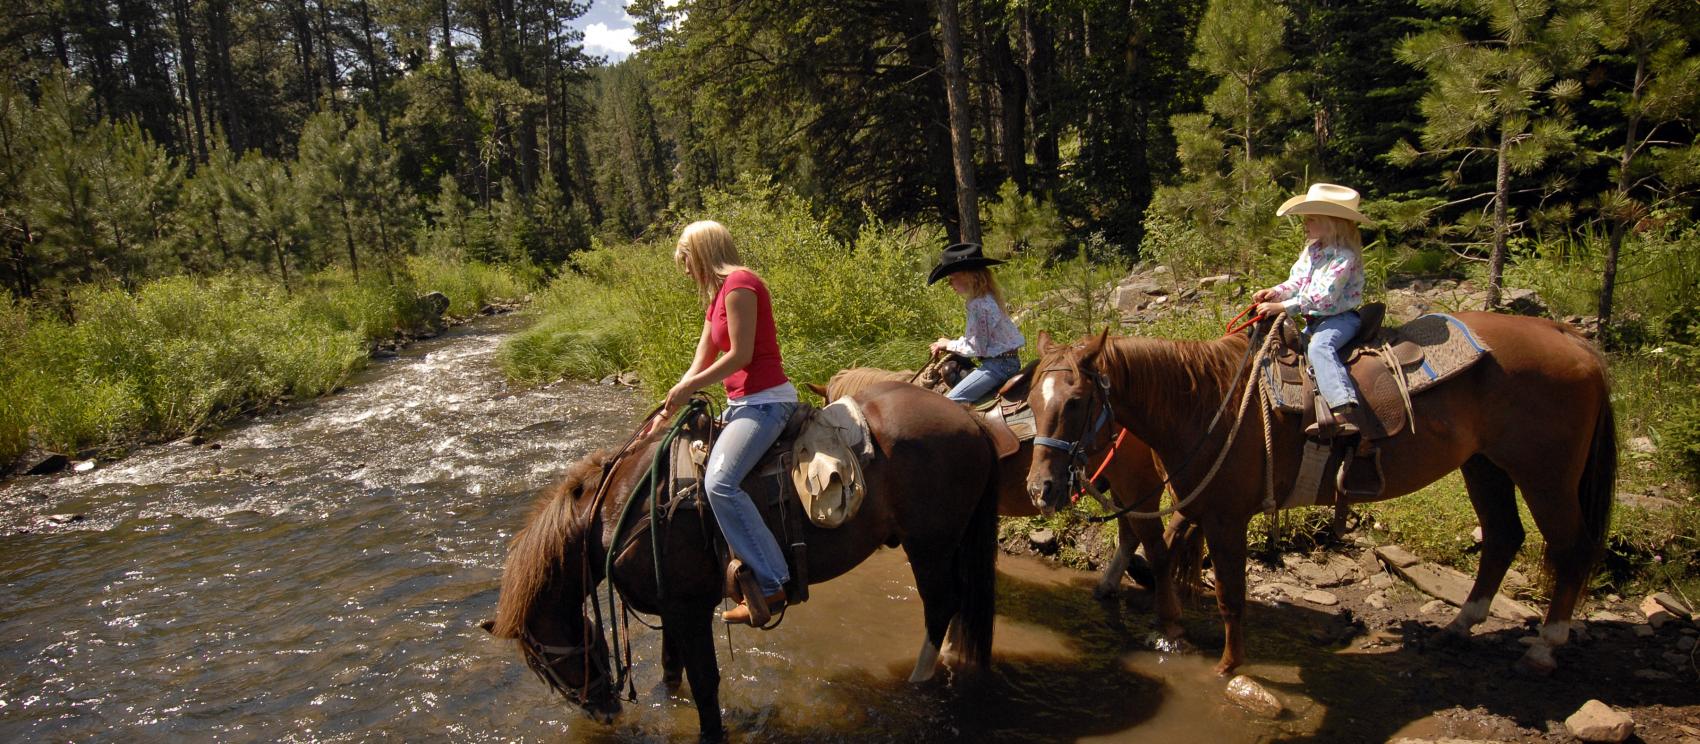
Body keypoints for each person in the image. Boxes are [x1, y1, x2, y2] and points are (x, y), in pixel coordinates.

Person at [647, 220, 798, 625]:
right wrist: (665, 412)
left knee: (721, 482)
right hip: (740, 405)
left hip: (766, 403)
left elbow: (741, 356)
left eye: (687, 261)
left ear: (703, 254)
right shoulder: (716, 298)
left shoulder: (741, 284)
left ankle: (771, 583)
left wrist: (692, 386)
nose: (686, 271)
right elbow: (701, 361)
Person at [1252, 183, 1371, 437]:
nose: (1305, 224)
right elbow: (1296, 281)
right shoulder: (1312, 251)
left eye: (1311, 219)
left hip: (1340, 318)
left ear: (1331, 223)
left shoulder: (1344, 257)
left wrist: (1283, 306)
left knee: (1320, 347)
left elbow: (1325, 297)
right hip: (1314, 320)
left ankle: (1342, 406)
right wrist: (1275, 292)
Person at [927, 242, 1026, 404]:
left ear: (968, 276)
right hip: (1006, 362)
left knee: (950, 402)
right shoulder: (988, 298)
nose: (950, 285)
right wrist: (950, 343)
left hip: (998, 366)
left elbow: (976, 347)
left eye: (952, 279)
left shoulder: (979, 305)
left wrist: (948, 344)